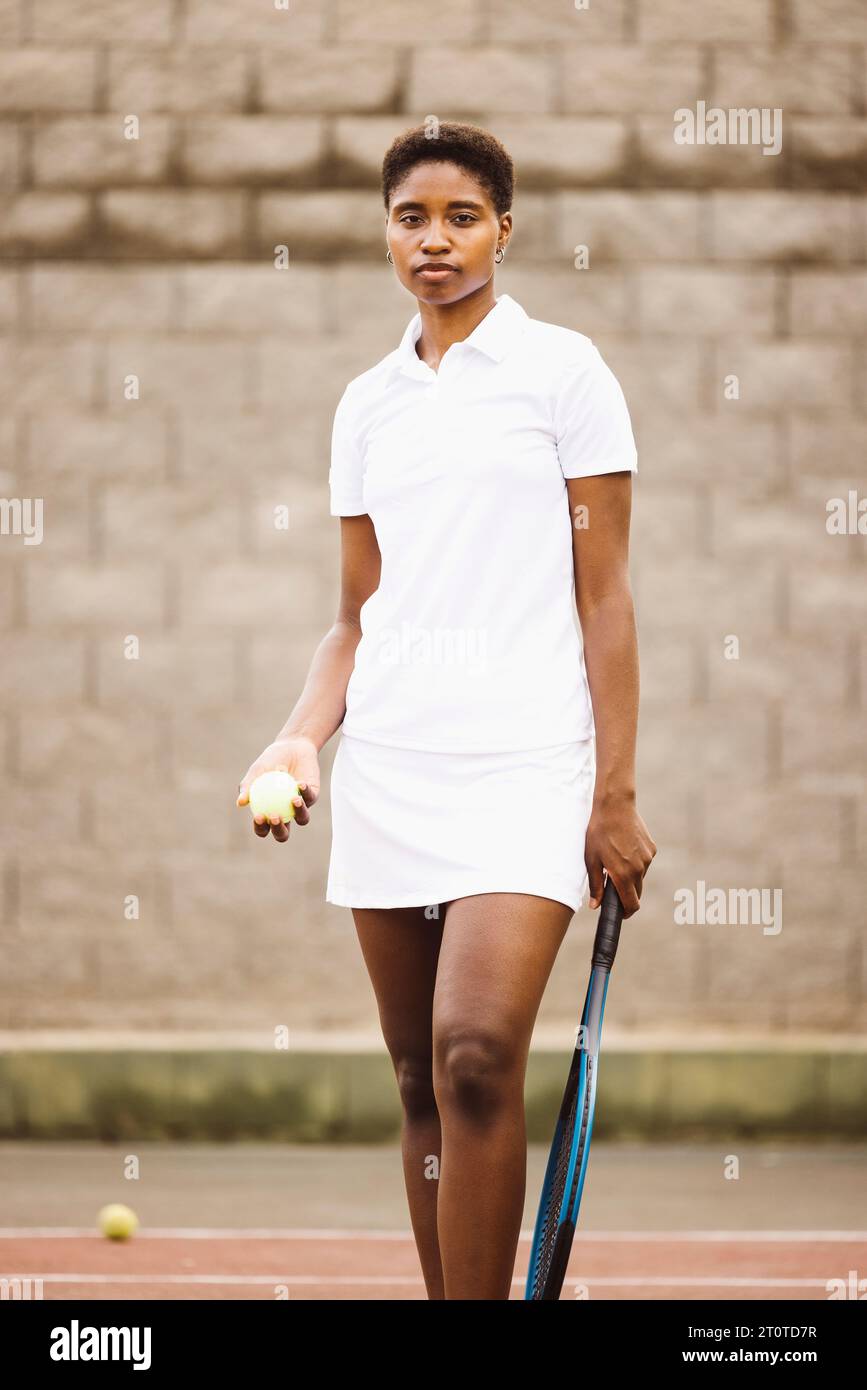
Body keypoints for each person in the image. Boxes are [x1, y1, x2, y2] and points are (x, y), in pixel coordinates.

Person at [238, 121, 657, 1300]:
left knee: (477, 1053)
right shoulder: (365, 407)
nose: (434, 239)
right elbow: (355, 616)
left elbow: (608, 595)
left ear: (504, 232)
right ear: (387, 231)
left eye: (461, 216)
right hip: (393, 767)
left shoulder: (566, 374)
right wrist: (298, 736)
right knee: (422, 1079)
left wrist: (613, 792)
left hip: (530, 766)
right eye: (412, 216)